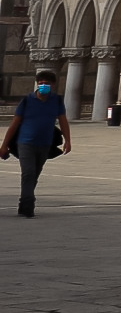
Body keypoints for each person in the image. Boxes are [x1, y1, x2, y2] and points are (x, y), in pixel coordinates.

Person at [3, 67, 72, 217]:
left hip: (45, 144)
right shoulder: (27, 101)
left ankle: (24, 204)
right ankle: (28, 204)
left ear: (53, 85)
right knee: (28, 173)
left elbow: (63, 121)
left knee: (35, 174)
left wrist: (68, 140)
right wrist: (4, 145)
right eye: (40, 83)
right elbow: (14, 123)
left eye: (46, 83)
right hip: (25, 143)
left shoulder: (56, 101)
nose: (43, 85)